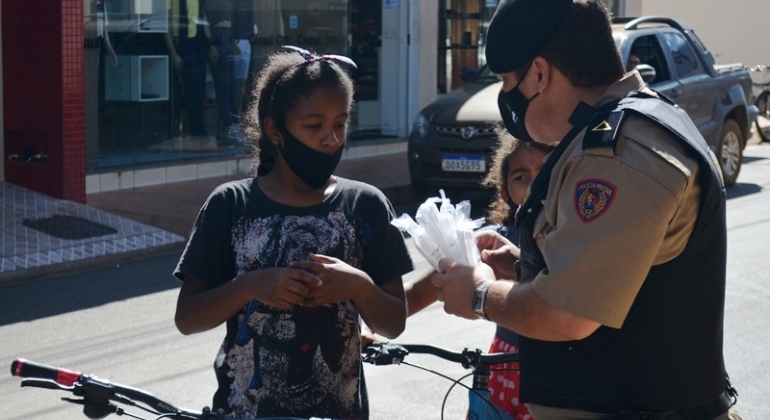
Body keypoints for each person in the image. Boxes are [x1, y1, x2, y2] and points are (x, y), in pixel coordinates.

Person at [431, 1, 740, 419]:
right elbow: (619, 278)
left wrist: (480, 294)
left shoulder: (618, 152)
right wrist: (523, 266)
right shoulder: (631, 127)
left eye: (508, 81)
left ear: (539, 74)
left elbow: (568, 314)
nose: (506, 96)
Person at [172, 46, 412, 419]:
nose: (331, 139)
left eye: (341, 124)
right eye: (314, 126)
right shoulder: (231, 205)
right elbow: (187, 318)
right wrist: (248, 286)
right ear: (275, 131)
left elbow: (394, 323)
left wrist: (359, 286)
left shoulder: (366, 205)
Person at [363, 132, 554, 420]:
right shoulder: (494, 240)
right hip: (505, 366)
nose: (534, 185)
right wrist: (368, 325)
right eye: (521, 177)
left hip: (558, 371)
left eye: (544, 173)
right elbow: (426, 286)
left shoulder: (571, 240)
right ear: (504, 192)